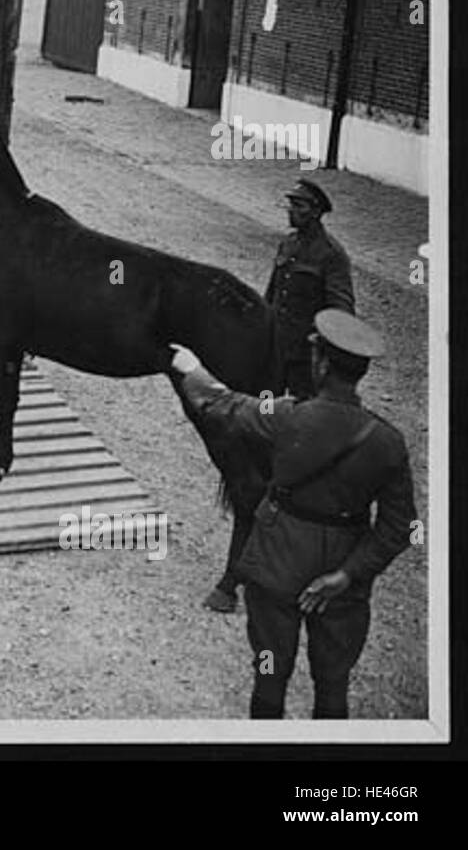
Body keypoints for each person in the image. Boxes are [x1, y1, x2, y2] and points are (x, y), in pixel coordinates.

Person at [170, 309, 415, 719]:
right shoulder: (388, 442)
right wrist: (347, 574)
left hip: (276, 563)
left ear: (321, 363)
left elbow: (219, 402)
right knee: (333, 682)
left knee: (269, 671)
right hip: (343, 576)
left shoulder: (287, 416)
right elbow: (404, 527)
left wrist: (191, 367)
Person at [265, 179, 355, 400]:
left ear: (315, 212)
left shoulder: (331, 254)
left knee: (304, 408)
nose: (291, 211)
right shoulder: (288, 242)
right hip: (276, 345)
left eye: (299, 206)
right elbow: (273, 291)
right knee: (267, 404)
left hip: (305, 354)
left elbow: (341, 310)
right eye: (291, 205)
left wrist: (325, 350)